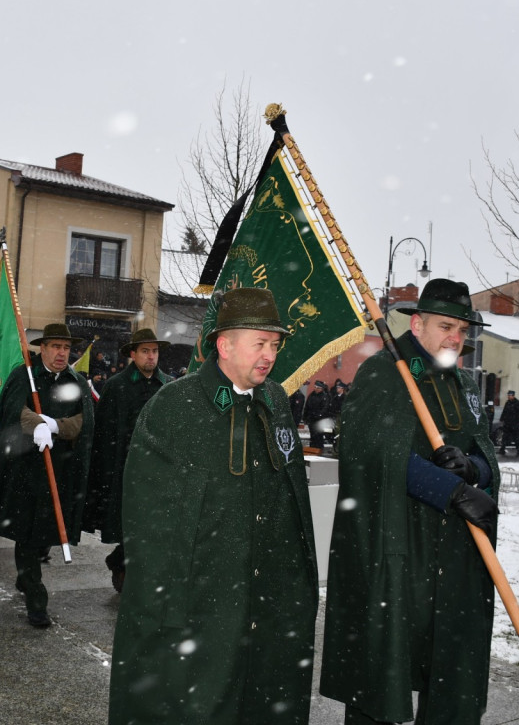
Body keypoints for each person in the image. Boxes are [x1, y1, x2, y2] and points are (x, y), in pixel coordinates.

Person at [108, 288, 318, 725]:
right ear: (224, 345)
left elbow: (293, 506)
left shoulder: (276, 401)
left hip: (265, 601)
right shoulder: (175, 407)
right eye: (259, 343)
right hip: (204, 602)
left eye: (274, 345)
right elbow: (149, 522)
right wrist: (169, 605)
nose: (269, 355)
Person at [320, 278, 500, 724]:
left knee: (451, 670)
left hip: (456, 552)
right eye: (445, 326)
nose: (455, 338)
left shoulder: (463, 382)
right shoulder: (385, 371)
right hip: (396, 545)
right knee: (382, 669)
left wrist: (472, 468)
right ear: (417, 323)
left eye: (462, 330)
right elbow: (372, 454)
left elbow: (485, 449)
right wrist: (451, 490)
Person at [0, 323, 94, 629]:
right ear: (42, 348)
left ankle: (26, 574)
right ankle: (36, 601)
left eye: (66, 348)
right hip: (26, 470)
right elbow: (14, 409)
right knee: (27, 533)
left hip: (62, 470)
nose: (61, 353)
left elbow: (85, 421)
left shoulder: (76, 380)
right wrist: (35, 424)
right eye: (55, 347)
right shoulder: (24, 376)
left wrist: (55, 426)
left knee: (47, 535)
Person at [83, 327, 171, 593]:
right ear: (133, 354)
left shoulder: (167, 385)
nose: (151, 357)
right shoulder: (117, 386)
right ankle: (124, 565)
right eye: (145, 351)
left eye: (154, 351)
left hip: (157, 467)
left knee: (150, 525)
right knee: (128, 522)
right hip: (124, 466)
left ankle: (121, 560)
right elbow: (105, 432)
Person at [303, 379, 331, 449]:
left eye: (318, 388)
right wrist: (305, 416)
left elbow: (325, 408)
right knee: (312, 434)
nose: (316, 389)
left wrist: (319, 415)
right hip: (311, 418)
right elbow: (307, 406)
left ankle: (318, 448)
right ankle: (312, 447)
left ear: (321, 389)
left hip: (319, 420)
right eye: (315, 387)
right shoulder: (311, 395)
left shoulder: (324, 396)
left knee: (318, 435)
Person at [499, 389, 519, 456]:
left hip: (515, 423)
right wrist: (502, 418)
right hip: (507, 423)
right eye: (508, 395)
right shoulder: (507, 403)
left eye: (510, 395)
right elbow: (504, 411)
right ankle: (502, 449)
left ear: (513, 396)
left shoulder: (518, 403)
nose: (508, 396)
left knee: (516, 438)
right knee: (505, 437)